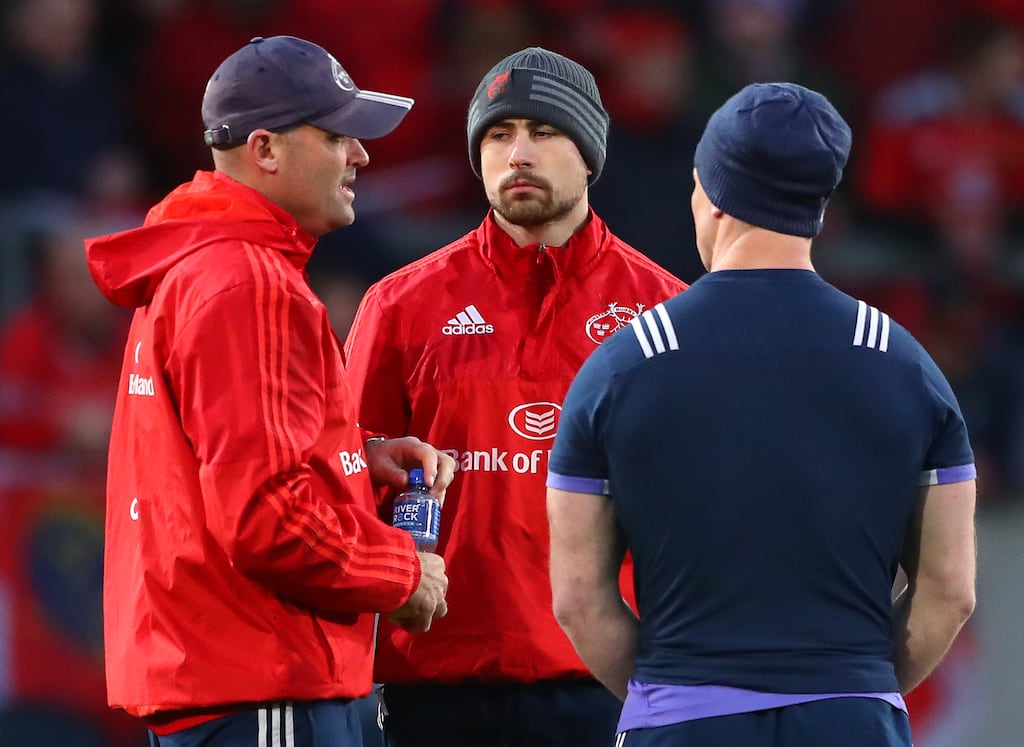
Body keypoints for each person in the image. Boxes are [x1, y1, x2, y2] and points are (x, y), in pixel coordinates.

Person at [546, 82, 977, 746]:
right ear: (819, 207)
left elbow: (578, 597)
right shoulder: (903, 364)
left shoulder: (624, 365)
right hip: (850, 718)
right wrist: (850, 684)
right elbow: (950, 591)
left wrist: (673, 692)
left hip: (684, 718)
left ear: (711, 195)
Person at [83, 35, 454, 746]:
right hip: (263, 683)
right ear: (265, 149)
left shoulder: (199, 264)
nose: (360, 155)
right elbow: (266, 517)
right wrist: (400, 574)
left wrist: (354, 457)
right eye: (336, 136)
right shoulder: (247, 282)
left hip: (221, 676)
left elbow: (220, 466)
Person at [343, 47, 688, 746]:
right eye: (499, 135)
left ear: (589, 156)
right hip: (434, 685)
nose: (518, 154)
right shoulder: (399, 306)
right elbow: (345, 483)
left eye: (544, 131)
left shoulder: (666, 313)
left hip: (605, 686)